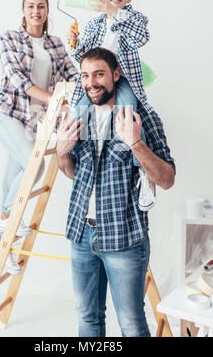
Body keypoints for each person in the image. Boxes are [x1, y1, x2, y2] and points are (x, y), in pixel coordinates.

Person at [56, 47, 175, 337]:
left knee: (132, 325)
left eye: (99, 74)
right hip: (82, 234)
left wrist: (135, 143)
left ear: (116, 75)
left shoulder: (139, 117)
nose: (91, 83)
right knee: (87, 318)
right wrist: (61, 151)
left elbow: (167, 178)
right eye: (85, 75)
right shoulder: (78, 117)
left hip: (124, 238)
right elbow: (74, 173)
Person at [0, 0, 78, 275]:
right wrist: (54, 98)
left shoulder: (55, 43)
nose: (36, 11)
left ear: (47, 11)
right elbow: (18, 80)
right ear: (23, 10)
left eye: (41, 6)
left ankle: (5, 243)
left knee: (10, 180)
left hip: (31, 121)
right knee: (33, 168)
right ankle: (8, 221)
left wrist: (83, 84)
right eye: (30, 6)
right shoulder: (9, 39)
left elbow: (71, 74)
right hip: (5, 113)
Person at [67, 0, 154, 209]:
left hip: (122, 78)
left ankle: (143, 175)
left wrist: (113, 12)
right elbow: (83, 56)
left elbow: (141, 36)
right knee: (78, 110)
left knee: (128, 113)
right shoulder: (95, 24)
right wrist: (74, 44)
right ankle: (80, 161)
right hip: (98, 79)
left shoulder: (134, 19)